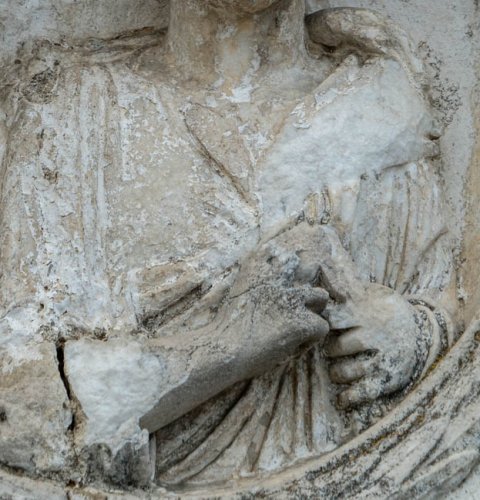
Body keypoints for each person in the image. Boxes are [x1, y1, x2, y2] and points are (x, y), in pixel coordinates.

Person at [0, 0, 455, 487]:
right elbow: (21, 405)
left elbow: (443, 304)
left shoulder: (378, 109)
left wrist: (416, 334)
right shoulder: (72, 111)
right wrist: (226, 346)